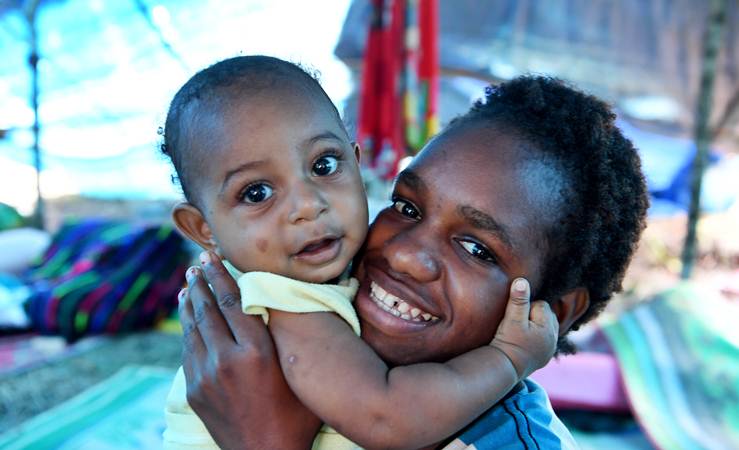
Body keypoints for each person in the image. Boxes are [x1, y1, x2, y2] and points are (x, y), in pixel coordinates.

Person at [176, 73, 650, 449]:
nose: (404, 256)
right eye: (406, 208)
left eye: (476, 249)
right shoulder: (290, 292)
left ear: (557, 313)